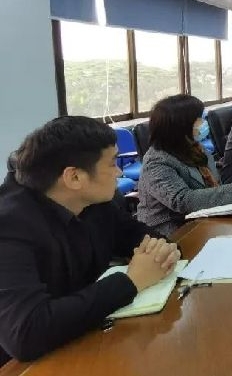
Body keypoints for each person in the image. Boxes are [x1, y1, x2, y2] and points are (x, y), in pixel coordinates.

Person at [0, 116, 180, 364]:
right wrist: (131, 281)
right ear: (74, 177)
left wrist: (163, 250)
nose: (119, 172)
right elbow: (25, 333)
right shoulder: (9, 225)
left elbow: (137, 235)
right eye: (112, 163)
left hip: (85, 336)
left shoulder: (94, 202)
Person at [136, 95, 232, 237]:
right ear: (181, 125)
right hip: (170, 231)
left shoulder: (192, 146)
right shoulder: (156, 161)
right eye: (198, 119)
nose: (203, 122)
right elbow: (182, 200)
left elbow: (211, 178)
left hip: (203, 216)